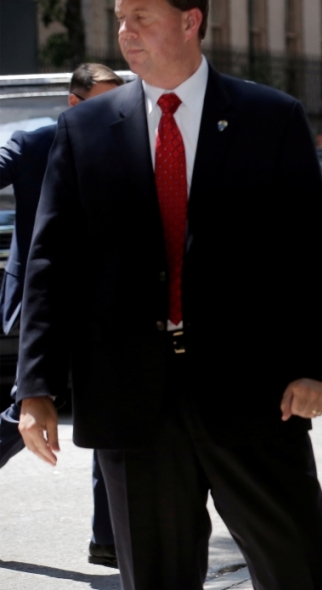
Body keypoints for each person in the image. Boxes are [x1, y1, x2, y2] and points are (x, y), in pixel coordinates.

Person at [15, 0, 322, 588]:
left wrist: (312, 368)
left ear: (190, 21)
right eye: (119, 17)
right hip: (131, 399)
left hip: (255, 393)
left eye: (142, 15)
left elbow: (308, 258)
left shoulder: (270, 118)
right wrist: (35, 386)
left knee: (298, 570)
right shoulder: (83, 128)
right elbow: (51, 264)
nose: (124, 31)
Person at [0, 63, 124, 568]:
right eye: (104, 104)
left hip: (103, 302)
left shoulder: (126, 144)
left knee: (110, 413)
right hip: (47, 300)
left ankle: (109, 540)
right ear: (75, 104)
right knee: (24, 409)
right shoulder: (33, 143)